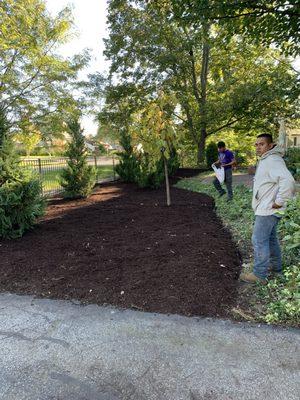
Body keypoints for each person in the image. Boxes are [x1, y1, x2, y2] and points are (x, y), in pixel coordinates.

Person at [240, 133, 295, 284]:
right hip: (266, 207)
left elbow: (288, 181)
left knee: (258, 240)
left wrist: (280, 201)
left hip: (268, 209)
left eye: (262, 144)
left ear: (270, 146)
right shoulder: (267, 159)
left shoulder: (272, 160)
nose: (258, 147)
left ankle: (259, 275)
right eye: (256, 144)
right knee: (270, 239)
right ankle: (276, 268)